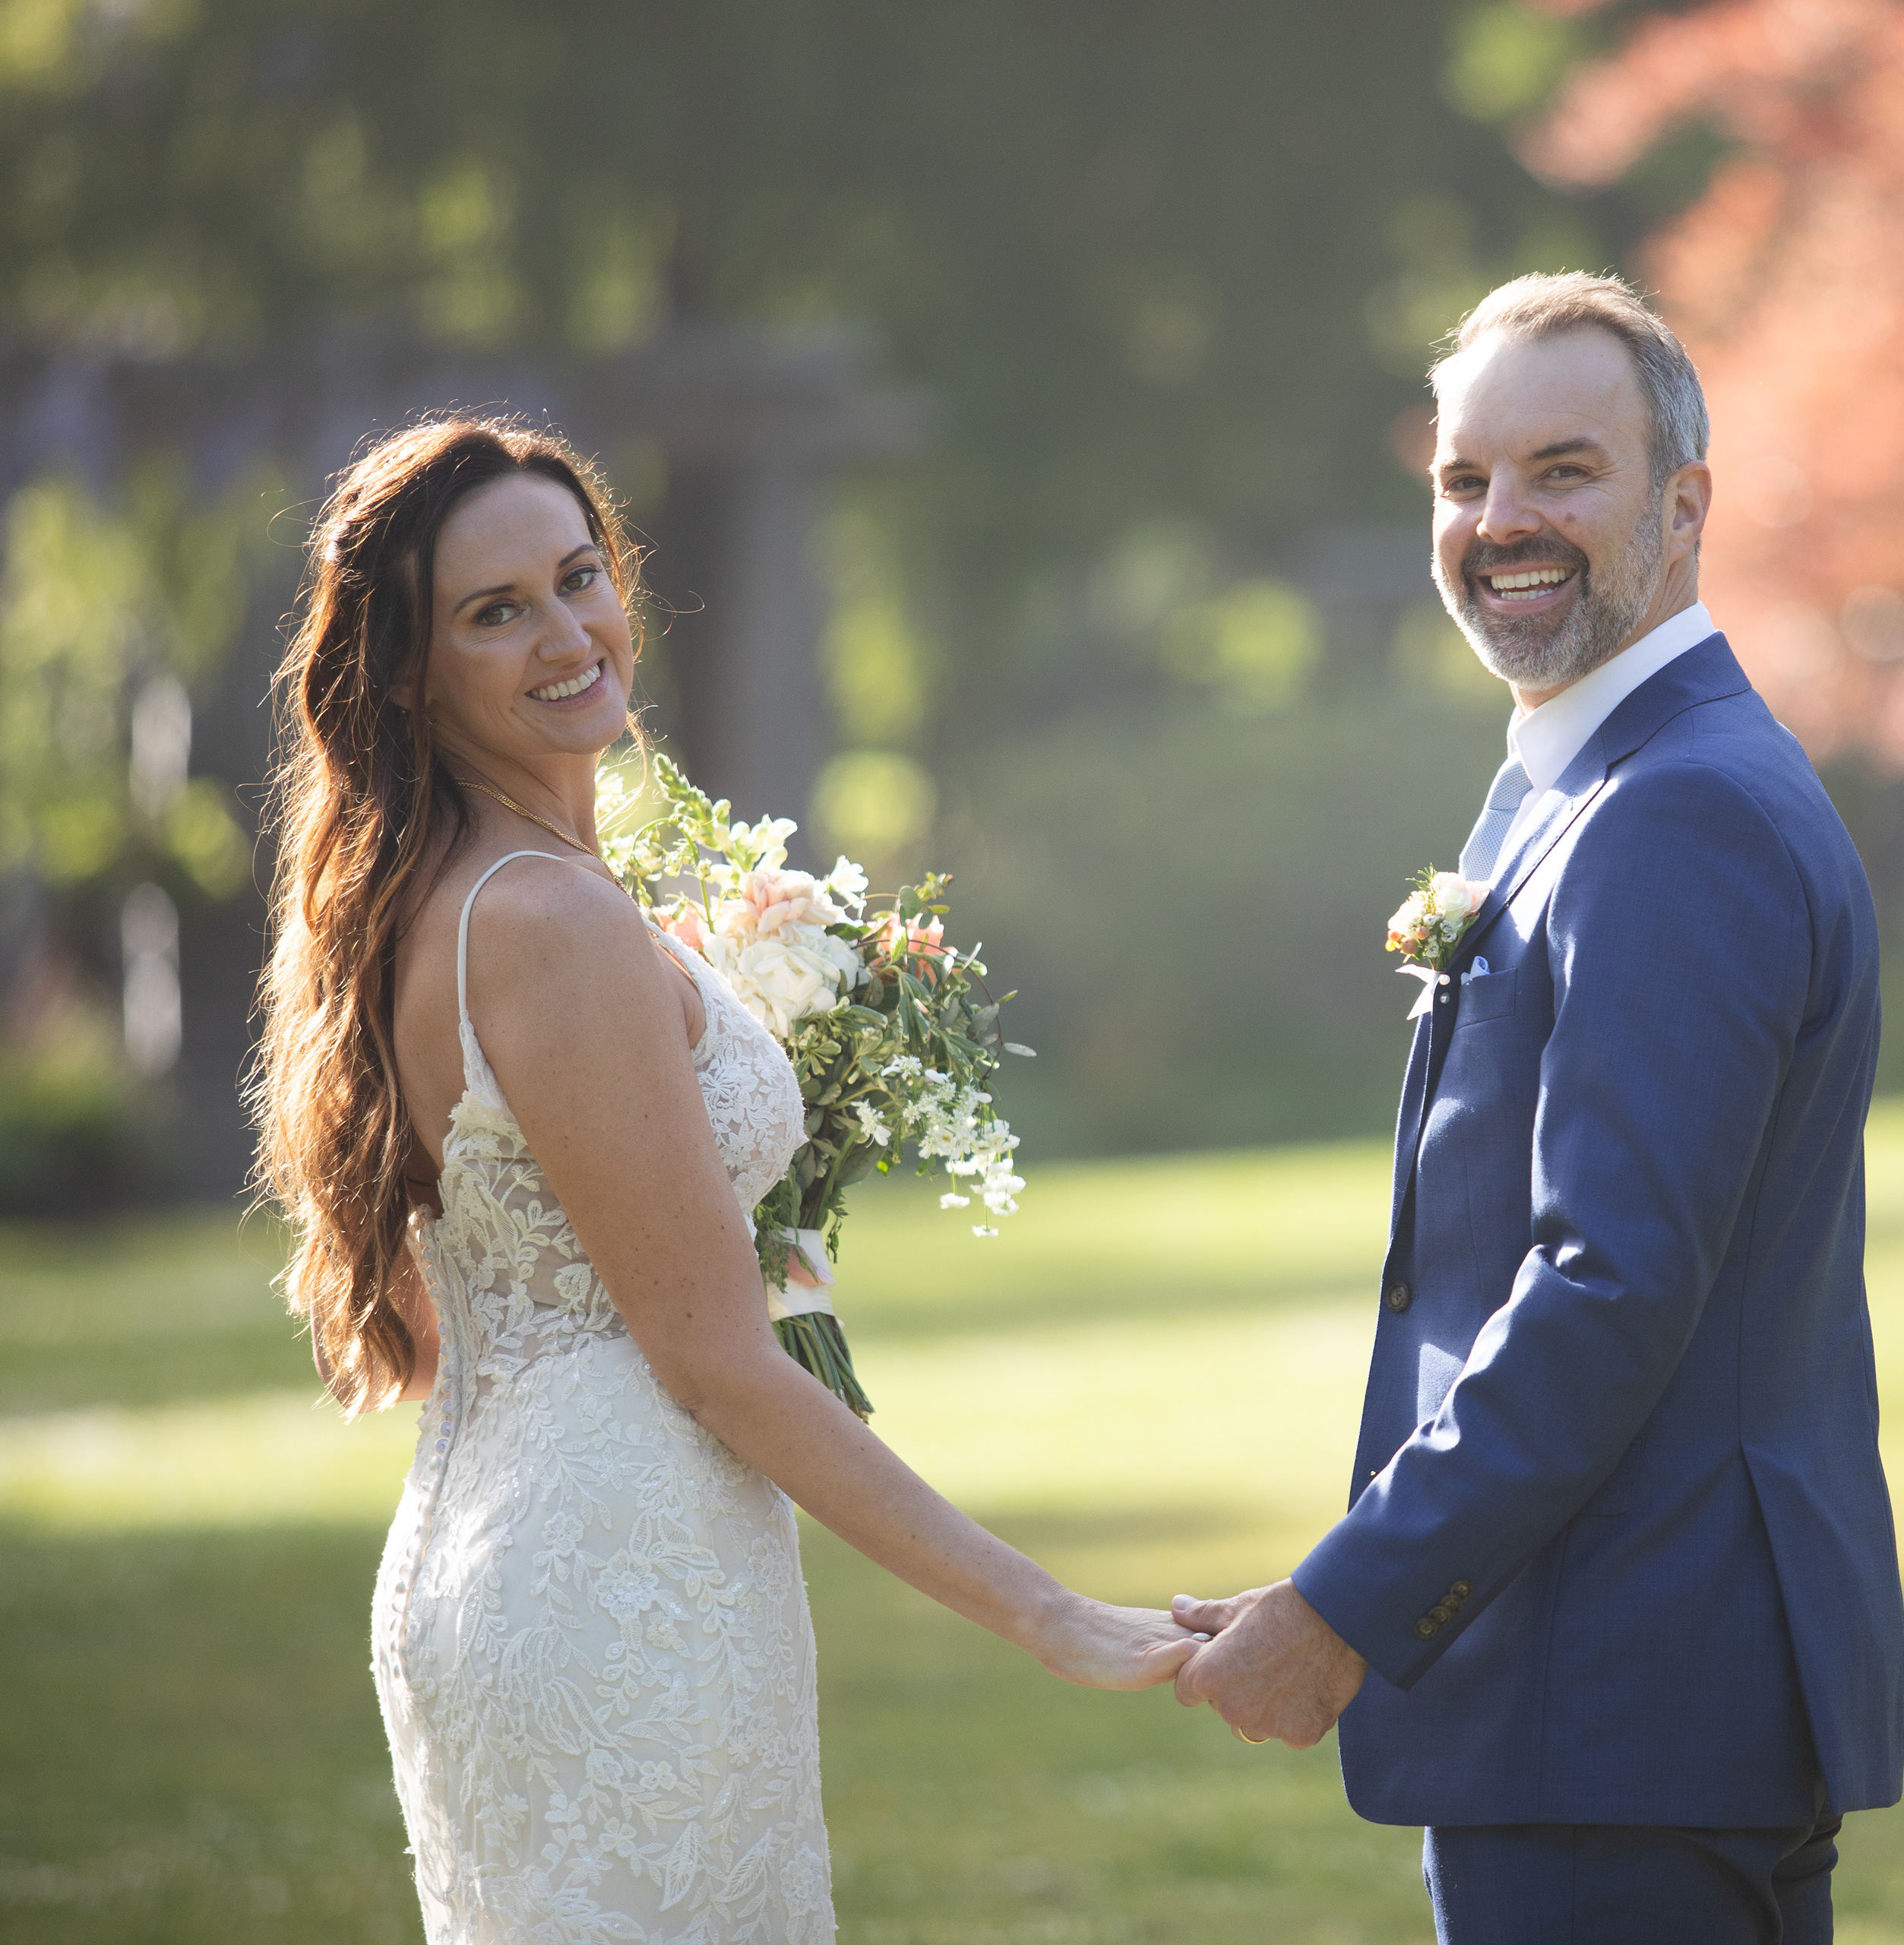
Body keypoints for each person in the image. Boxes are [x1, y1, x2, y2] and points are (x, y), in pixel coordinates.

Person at [250, 418, 1198, 1944]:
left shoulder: (429, 896)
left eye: (577, 577)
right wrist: (1050, 1610)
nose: (568, 633)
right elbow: (711, 1358)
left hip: (497, 1544)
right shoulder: (546, 917)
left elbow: (486, 1303)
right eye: (497, 611)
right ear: (410, 671)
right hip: (626, 1582)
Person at [1172, 273, 1904, 1942]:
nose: (1502, 520)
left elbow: (1610, 1285)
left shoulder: (1675, 814)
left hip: (1620, 1702)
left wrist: (1347, 1605)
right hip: (1649, 1697)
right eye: (1463, 479)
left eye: (1562, 470)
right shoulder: (1594, 783)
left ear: (1684, 503)